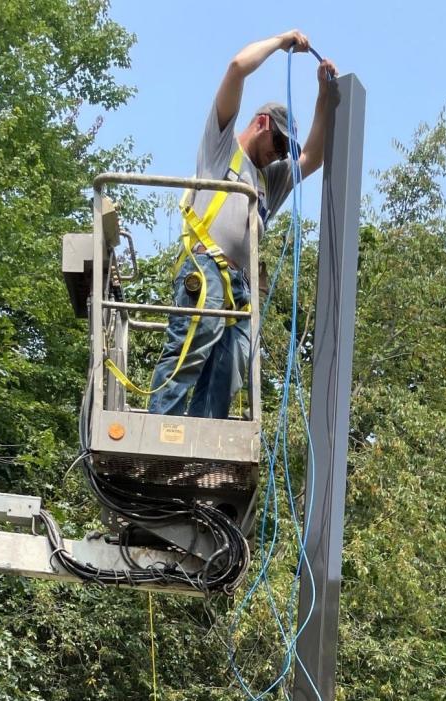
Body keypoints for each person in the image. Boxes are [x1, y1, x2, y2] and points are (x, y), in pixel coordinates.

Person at [147, 31, 338, 421]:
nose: (280, 154)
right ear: (262, 123)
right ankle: (159, 429)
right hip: (206, 270)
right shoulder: (222, 147)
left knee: (229, 369)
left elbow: (315, 156)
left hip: (241, 288)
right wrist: (282, 40)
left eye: (286, 150)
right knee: (191, 346)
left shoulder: (272, 179)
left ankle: (203, 441)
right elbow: (236, 69)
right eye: (279, 143)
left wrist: (323, 94)